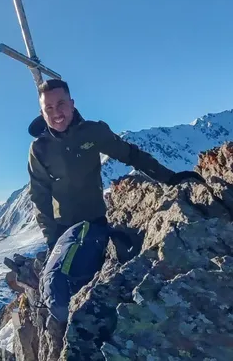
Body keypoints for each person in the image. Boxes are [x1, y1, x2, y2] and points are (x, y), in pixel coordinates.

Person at [27, 78, 204, 322]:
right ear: (42, 113)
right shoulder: (39, 149)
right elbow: (40, 196)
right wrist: (52, 240)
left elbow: (130, 155)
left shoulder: (93, 132)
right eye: (49, 108)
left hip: (96, 223)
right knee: (62, 290)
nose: (56, 113)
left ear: (72, 103)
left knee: (90, 285)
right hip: (65, 231)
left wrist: (169, 178)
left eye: (61, 104)